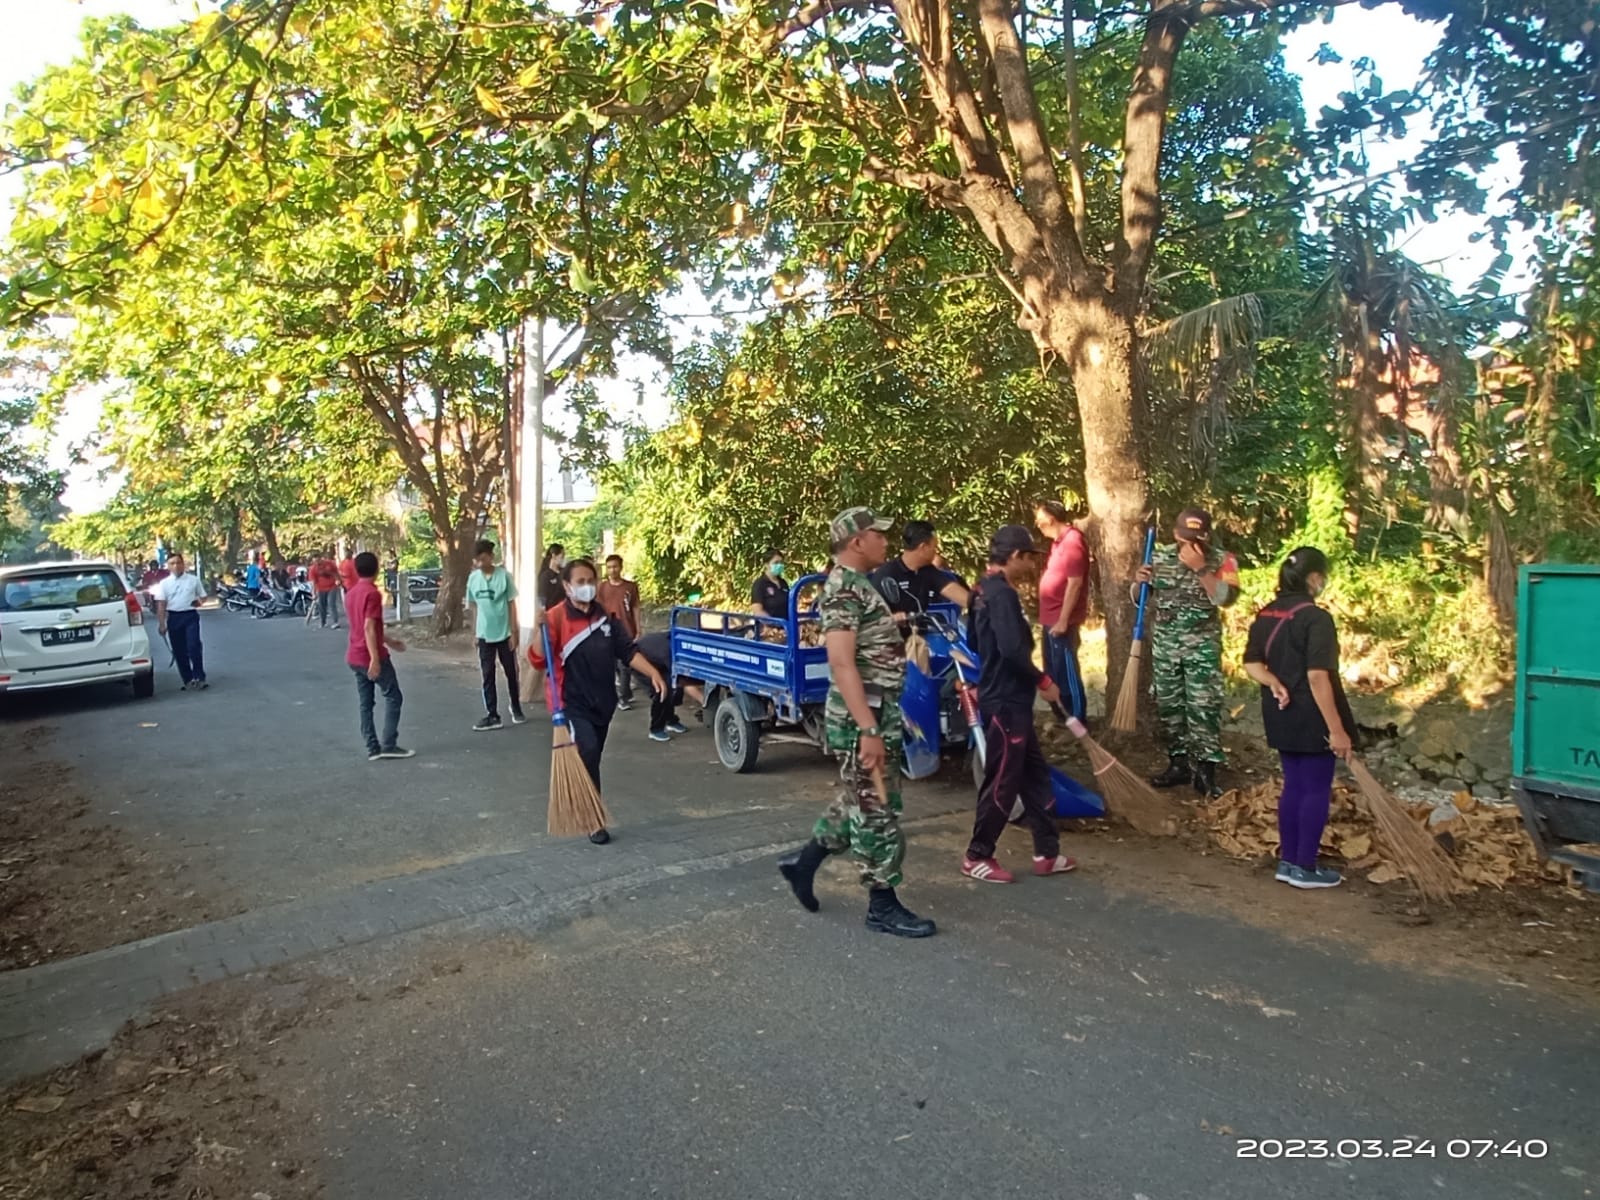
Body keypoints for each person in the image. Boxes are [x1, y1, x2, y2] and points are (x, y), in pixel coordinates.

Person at [776, 508, 936, 939]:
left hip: (876, 713)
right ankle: (881, 905)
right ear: (855, 543)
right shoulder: (844, 591)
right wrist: (868, 729)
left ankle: (802, 866)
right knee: (876, 810)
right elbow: (842, 664)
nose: (886, 542)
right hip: (862, 719)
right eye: (877, 535)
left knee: (857, 800)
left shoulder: (858, 586)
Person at [962, 525, 1078, 883]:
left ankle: (1047, 851)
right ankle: (977, 854)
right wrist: (1042, 680)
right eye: (1028, 558)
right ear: (1013, 556)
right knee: (1002, 780)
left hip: (1010, 698)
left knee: (1034, 775)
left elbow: (974, 641)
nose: (1031, 565)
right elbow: (1013, 650)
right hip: (1006, 701)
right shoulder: (1002, 596)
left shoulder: (979, 590)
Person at [529, 558, 667, 845]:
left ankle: (586, 799)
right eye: (580, 582)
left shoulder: (605, 617)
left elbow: (627, 651)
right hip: (571, 702)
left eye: (591, 581)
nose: (587, 587)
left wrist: (653, 672)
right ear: (567, 587)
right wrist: (537, 631)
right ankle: (593, 819)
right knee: (588, 750)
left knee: (593, 756)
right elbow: (539, 659)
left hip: (603, 701)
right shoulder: (555, 618)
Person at [1243, 547, 1357, 890]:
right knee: (1316, 789)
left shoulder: (1266, 614)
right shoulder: (1316, 618)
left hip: (1280, 713)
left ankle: (1288, 862)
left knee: (1293, 785)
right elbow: (1317, 677)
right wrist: (1337, 731)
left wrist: (1273, 682)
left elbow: (1251, 665)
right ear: (1314, 578)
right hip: (1312, 714)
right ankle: (1305, 865)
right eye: (1322, 576)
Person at [1133, 507, 1239, 798]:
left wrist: (1201, 568)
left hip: (1201, 649)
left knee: (1203, 709)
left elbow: (1225, 599)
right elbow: (1139, 599)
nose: (1192, 543)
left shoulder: (1224, 560)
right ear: (1176, 533)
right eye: (1186, 537)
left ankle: (1206, 772)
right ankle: (1178, 763)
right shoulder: (1158, 557)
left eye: (1199, 537)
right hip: (1166, 648)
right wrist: (1138, 582)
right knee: (1170, 709)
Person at [345, 551, 413, 761]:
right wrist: (375, 658)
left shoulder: (351, 593)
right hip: (369, 655)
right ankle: (389, 744)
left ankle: (372, 746)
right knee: (393, 696)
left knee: (366, 703)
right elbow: (369, 628)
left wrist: (390, 641)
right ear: (376, 570)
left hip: (354, 655)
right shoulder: (372, 594)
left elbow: (367, 627)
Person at [1034, 500, 1090, 724]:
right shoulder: (1058, 543)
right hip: (1050, 618)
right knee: (1053, 671)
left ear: (1050, 519)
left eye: (1039, 520)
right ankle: (1062, 717)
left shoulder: (1073, 542)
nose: (1037, 525)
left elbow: (1075, 583)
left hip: (1061, 620)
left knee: (1067, 672)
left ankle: (1078, 719)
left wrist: (1064, 620)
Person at [465, 539, 525, 732]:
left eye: (483, 559)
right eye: (477, 561)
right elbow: (473, 606)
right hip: (484, 634)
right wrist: (475, 632)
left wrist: (514, 632)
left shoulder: (504, 576)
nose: (480, 564)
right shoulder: (473, 579)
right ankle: (492, 714)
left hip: (504, 633)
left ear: (491, 557)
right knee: (487, 674)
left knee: (510, 672)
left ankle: (515, 706)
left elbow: (511, 604)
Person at [870, 520, 970, 620]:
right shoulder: (886, 574)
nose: (936, 552)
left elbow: (952, 590)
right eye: (934, 547)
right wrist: (892, 619)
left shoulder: (928, 571)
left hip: (923, 633)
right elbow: (869, 620)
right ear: (923, 547)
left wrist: (980, 606)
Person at [153, 551, 209, 692]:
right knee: (179, 650)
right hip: (174, 617)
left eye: (178, 563)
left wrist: (199, 602)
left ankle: (199, 677)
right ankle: (188, 679)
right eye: (172, 563)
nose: (176, 566)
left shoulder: (193, 580)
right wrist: (162, 624)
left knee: (193, 646)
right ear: (168, 566)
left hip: (190, 615)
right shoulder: (164, 584)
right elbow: (161, 604)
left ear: (183, 564)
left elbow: (203, 596)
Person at [630, 630, 697, 743]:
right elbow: (683, 681)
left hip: (656, 660)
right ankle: (656, 729)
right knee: (661, 690)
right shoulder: (668, 652)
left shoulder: (679, 639)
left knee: (672, 686)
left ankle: (670, 720)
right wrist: (704, 702)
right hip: (638, 662)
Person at [597, 554, 642, 710]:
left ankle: (622, 697)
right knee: (615, 665)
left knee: (625, 665)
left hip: (627, 630)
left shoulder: (630, 587)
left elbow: (635, 607)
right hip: (607, 630)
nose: (612, 570)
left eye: (615, 566)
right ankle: (625, 693)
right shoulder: (601, 588)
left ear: (621, 567)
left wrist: (638, 628)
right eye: (609, 567)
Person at [750, 551, 790, 620]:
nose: (779, 565)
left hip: (786, 626)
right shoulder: (760, 584)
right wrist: (773, 624)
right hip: (768, 628)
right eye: (776, 563)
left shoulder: (783, 583)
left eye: (781, 562)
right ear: (766, 565)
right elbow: (758, 611)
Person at [309, 553, 342, 629]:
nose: (317, 563)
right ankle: (323, 622)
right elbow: (313, 582)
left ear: (321, 558)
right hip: (321, 589)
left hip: (332, 586)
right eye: (315, 561)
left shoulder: (329, 564)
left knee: (331, 603)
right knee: (322, 605)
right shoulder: (313, 569)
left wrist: (338, 580)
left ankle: (335, 622)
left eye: (318, 560)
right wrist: (313, 593)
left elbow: (336, 572)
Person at [538, 544, 567, 612]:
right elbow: (542, 597)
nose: (563, 558)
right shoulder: (545, 575)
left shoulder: (564, 573)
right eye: (562, 556)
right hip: (551, 611)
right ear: (554, 556)